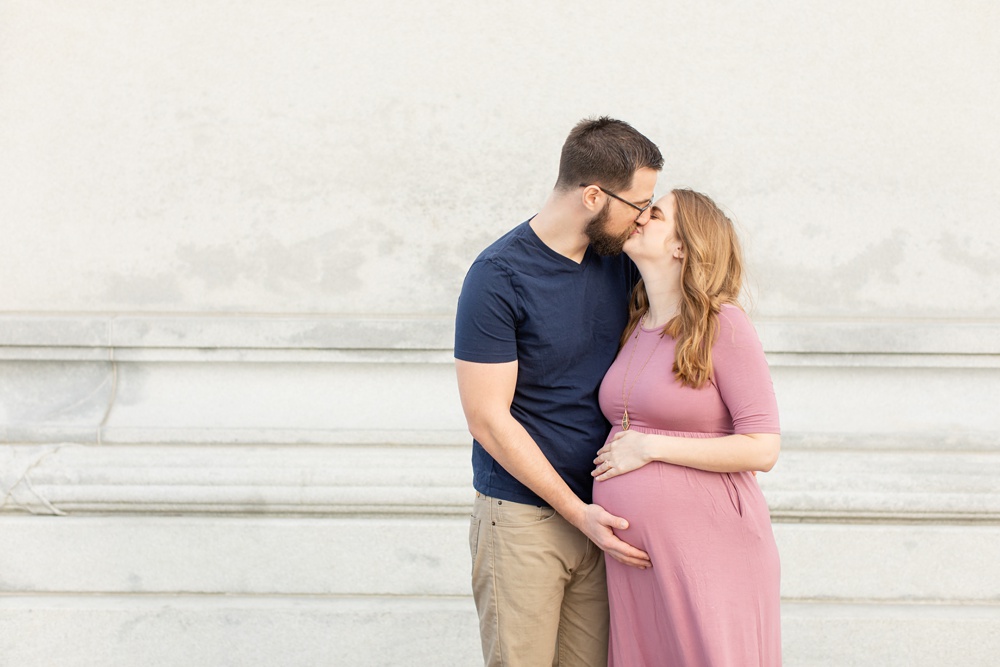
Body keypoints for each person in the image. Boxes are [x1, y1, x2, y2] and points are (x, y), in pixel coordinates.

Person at [454, 117, 664, 667]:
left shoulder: (621, 262)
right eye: (639, 203)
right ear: (594, 195)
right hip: (525, 518)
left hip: (605, 516)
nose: (644, 216)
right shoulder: (498, 276)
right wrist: (576, 512)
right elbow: (488, 418)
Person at [591, 189, 782, 666]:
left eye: (655, 214)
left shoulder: (724, 324)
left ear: (683, 245)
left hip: (710, 548)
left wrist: (651, 448)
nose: (639, 218)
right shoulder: (637, 323)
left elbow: (762, 447)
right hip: (637, 558)